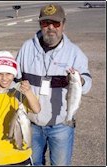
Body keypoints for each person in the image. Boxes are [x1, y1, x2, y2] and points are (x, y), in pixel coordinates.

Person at [15, 3, 92, 166]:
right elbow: (14, 77)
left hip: (61, 124)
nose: (50, 27)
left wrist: (80, 80)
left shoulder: (74, 53)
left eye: (56, 23)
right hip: (32, 123)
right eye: (45, 23)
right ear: (40, 25)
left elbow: (87, 83)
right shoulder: (26, 48)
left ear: (63, 24)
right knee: (34, 163)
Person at [0, 51, 41, 166]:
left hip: (20, 154)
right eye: (0, 74)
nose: (4, 78)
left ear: (14, 74)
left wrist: (29, 92)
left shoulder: (20, 91)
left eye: (9, 74)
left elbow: (36, 109)